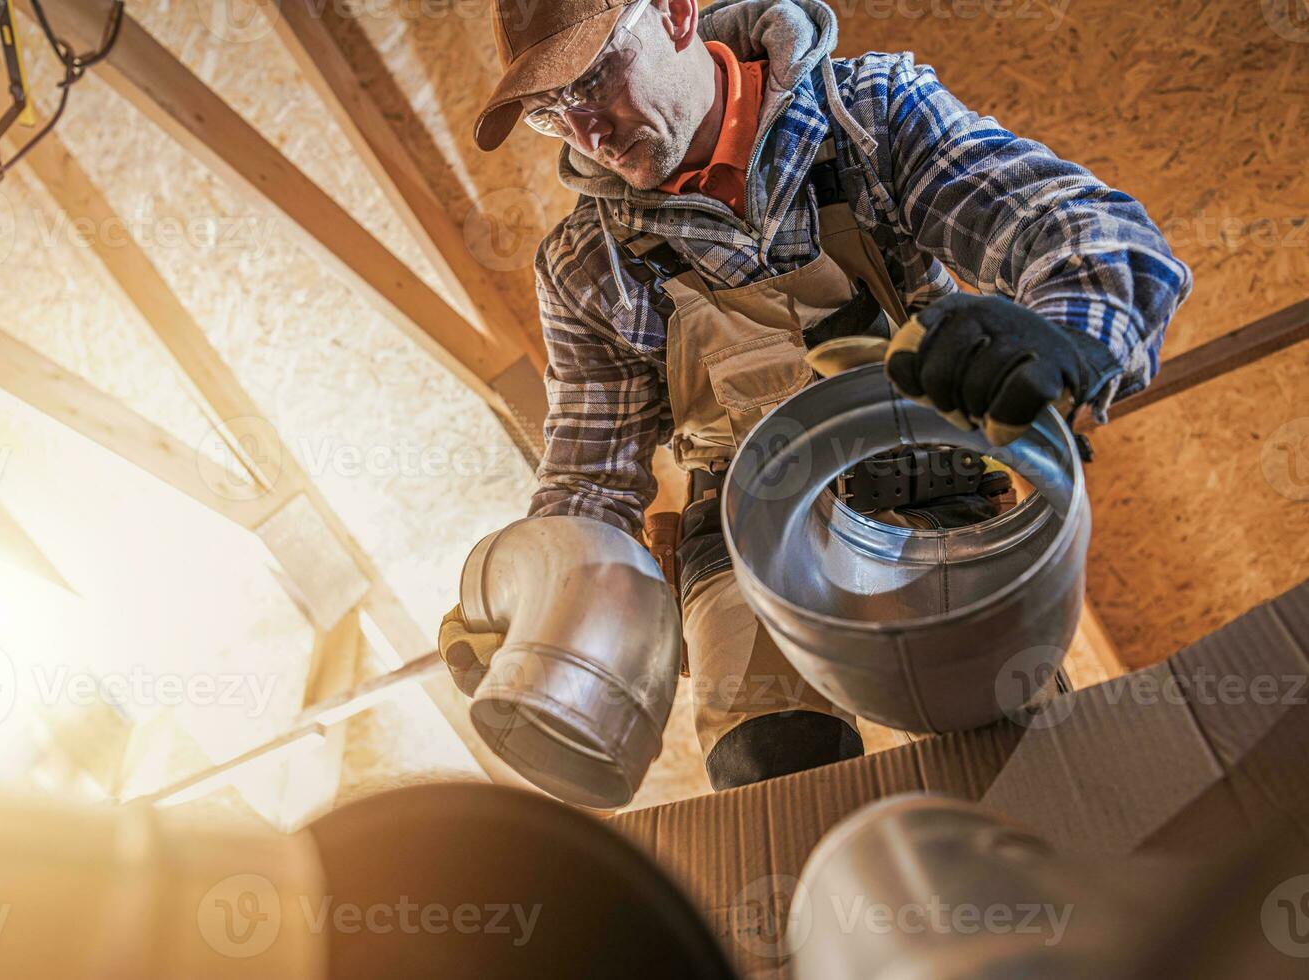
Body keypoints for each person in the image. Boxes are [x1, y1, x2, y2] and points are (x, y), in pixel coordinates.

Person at [440, 0, 1191, 790]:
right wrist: (536, 595)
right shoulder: (585, 264)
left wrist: (1066, 335)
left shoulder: (866, 116)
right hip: (738, 546)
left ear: (674, 12)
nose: (587, 131)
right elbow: (591, 484)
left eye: (593, 78)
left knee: (1014, 765)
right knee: (774, 782)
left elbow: (1076, 227)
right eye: (552, 112)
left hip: (929, 501)